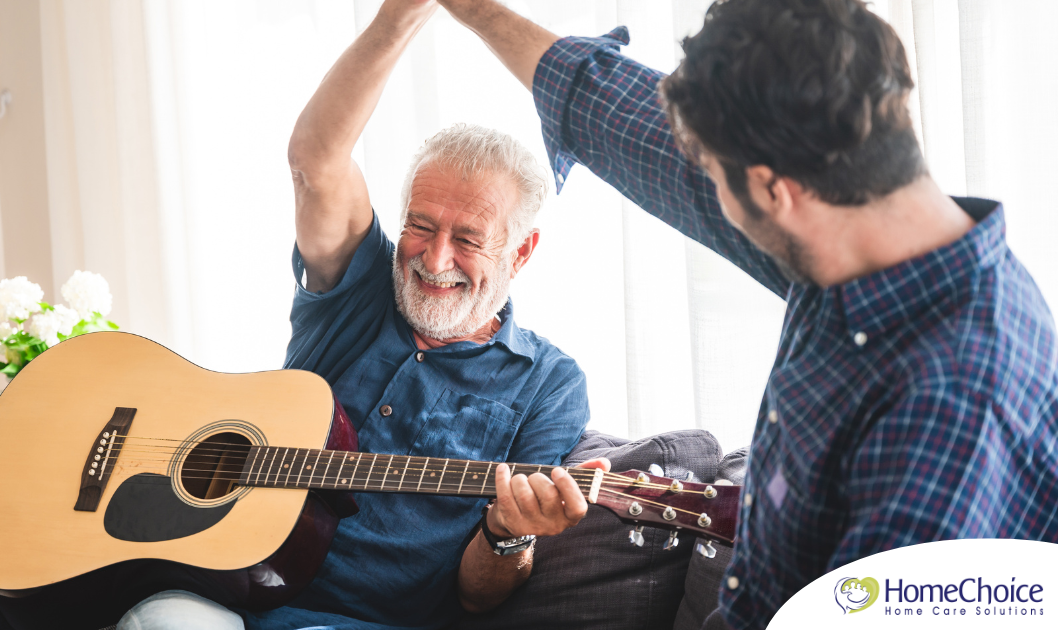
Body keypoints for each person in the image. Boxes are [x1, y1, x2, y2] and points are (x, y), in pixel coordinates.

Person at [437, 0, 1058, 627]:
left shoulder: (949, 407)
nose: (705, 189)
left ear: (772, 191)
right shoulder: (854, 216)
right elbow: (620, 116)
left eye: (715, 175)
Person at [118, 2, 608, 629]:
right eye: (420, 226)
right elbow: (315, 163)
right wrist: (399, 17)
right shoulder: (361, 285)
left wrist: (510, 533)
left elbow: (479, 597)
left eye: (468, 239)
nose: (434, 259)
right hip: (214, 591)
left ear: (521, 250)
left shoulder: (549, 382)